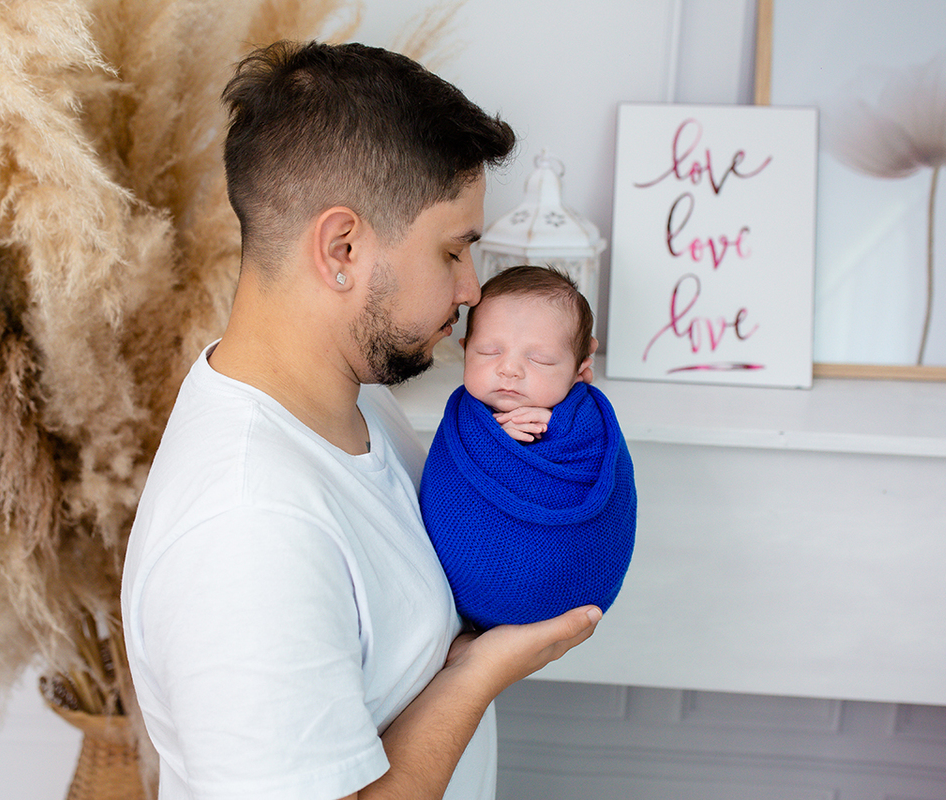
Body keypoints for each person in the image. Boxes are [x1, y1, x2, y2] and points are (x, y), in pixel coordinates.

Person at [120, 41, 602, 800]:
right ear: (342, 247)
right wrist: (479, 675)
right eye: (453, 252)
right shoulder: (246, 531)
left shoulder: (358, 398)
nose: (473, 290)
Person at [420, 266, 638, 629]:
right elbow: (449, 486)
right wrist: (494, 437)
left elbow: (591, 456)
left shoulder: (588, 422)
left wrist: (557, 428)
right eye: (488, 351)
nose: (509, 369)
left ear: (580, 368)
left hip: (571, 587)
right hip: (460, 591)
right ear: (465, 350)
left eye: (539, 359)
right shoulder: (463, 419)